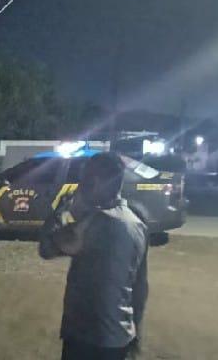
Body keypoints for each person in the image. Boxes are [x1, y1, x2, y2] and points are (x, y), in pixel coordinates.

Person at [38, 152, 149, 360]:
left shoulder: (94, 223)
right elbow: (140, 287)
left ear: (95, 182)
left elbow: (46, 248)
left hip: (87, 337)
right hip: (119, 338)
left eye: (84, 180)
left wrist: (60, 209)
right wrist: (137, 332)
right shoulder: (138, 224)